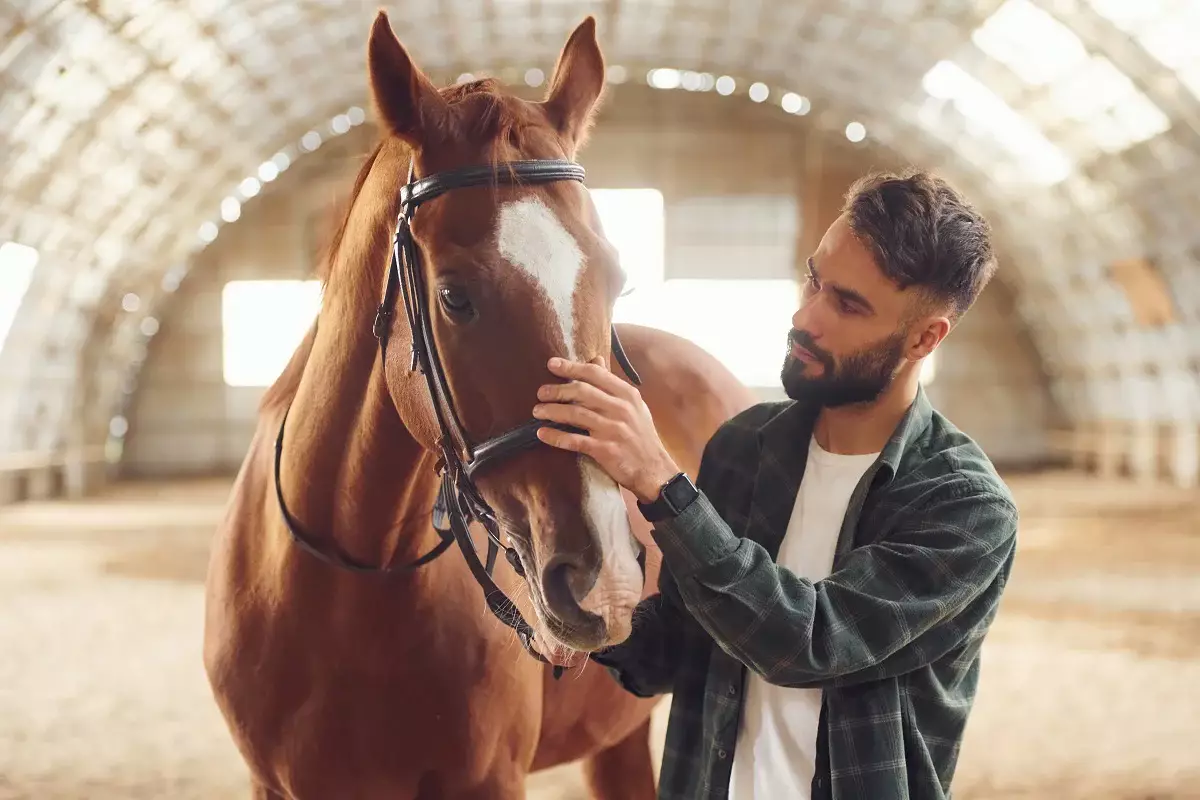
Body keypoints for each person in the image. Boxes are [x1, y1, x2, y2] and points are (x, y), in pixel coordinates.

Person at [531, 168, 1019, 800]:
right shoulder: (744, 448)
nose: (805, 317)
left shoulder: (965, 507)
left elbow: (808, 643)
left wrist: (662, 484)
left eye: (847, 304)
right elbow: (682, 650)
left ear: (925, 337)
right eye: (815, 279)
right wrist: (587, 622)